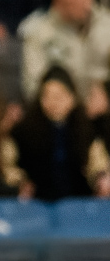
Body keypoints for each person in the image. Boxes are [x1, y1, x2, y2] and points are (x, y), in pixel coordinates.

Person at [11, 66, 110, 201]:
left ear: (72, 98)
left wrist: (100, 178)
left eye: (58, 96)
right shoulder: (25, 130)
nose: (52, 102)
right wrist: (20, 182)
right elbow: (11, 164)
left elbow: (98, 163)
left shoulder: (87, 128)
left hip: (79, 201)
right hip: (38, 202)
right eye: (46, 96)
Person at [18, 0, 110, 102]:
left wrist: (105, 91)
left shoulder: (107, 26)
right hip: (60, 110)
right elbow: (32, 86)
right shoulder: (37, 32)